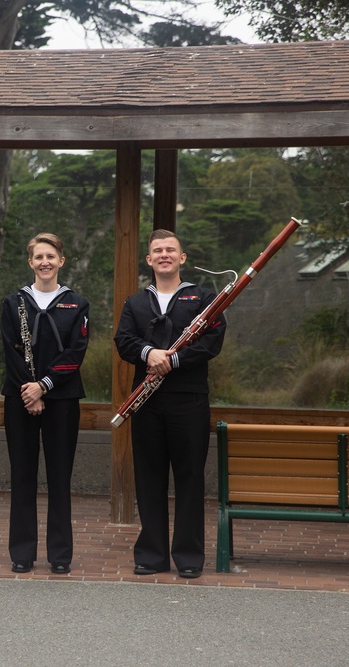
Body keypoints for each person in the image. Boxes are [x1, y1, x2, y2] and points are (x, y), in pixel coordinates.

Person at [113, 229, 226, 579]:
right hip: (146, 402)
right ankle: (151, 555)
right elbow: (124, 341)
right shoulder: (135, 302)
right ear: (149, 260)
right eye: (157, 251)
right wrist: (151, 353)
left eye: (170, 250)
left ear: (182, 258)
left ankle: (189, 556)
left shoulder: (204, 298)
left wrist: (173, 361)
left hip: (189, 400)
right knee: (149, 477)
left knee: (190, 477)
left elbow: (212, 342)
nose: (164, 255)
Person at [0, 233, 89, 575]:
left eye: (50, 256)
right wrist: (29, 390)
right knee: (22, 475)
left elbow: (75, 353)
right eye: (38, 257)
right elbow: (10, 350)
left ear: (61, 261)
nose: (45, 262)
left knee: (59, 478)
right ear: (31, 263)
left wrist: (44, 386)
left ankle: (60, 554)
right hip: (19, 398)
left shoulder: (76, 304)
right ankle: (22, 552)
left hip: (62, 399)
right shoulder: (14, 303)